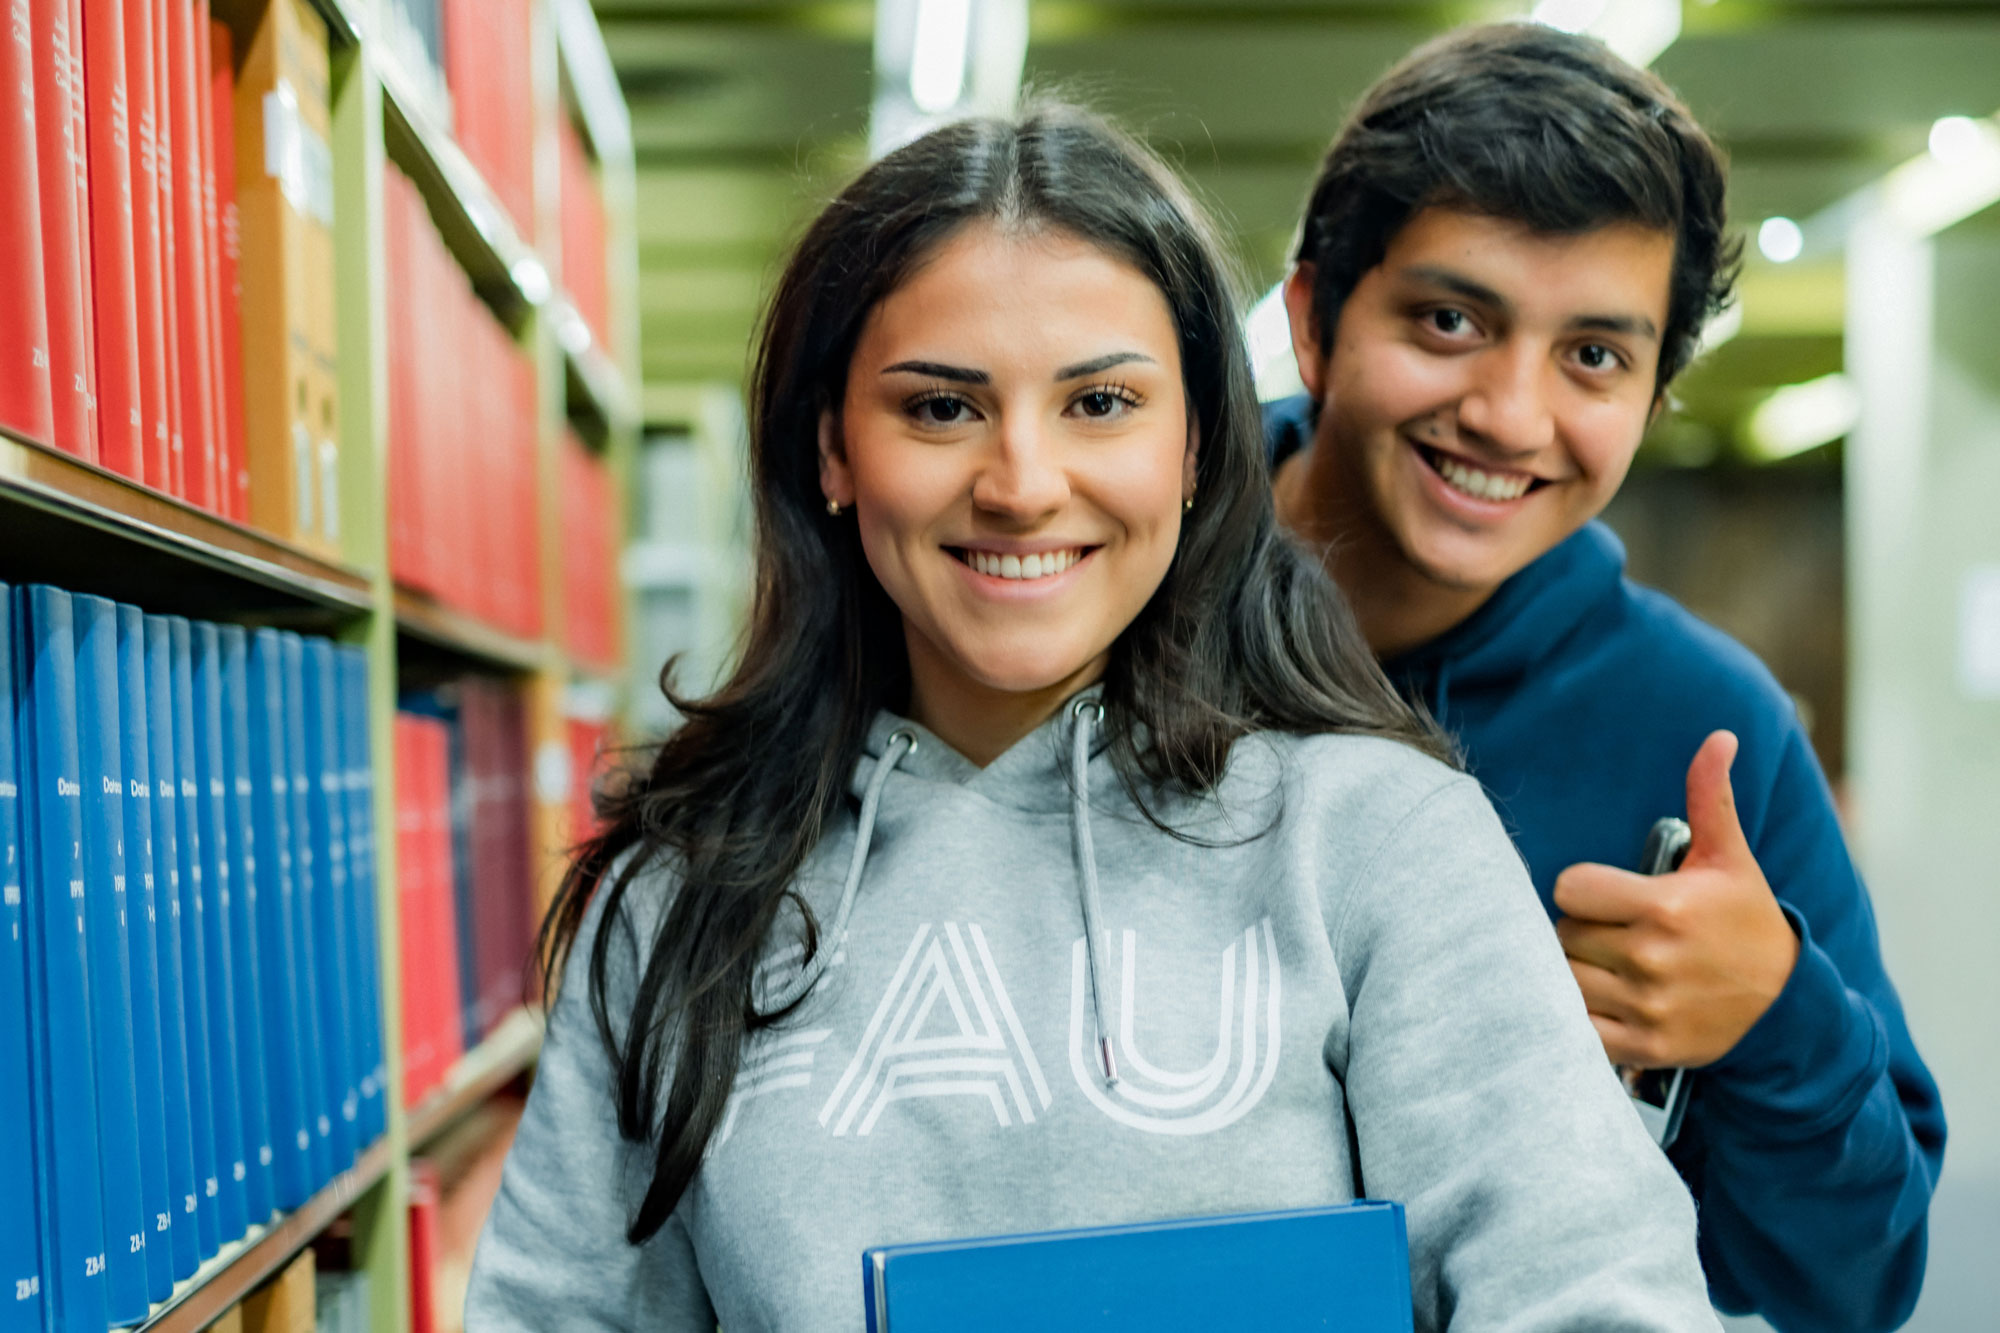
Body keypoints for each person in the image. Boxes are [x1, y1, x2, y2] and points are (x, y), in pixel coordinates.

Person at [466, 106, 1719, 1331]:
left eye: (1101, 403)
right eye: (940, 407)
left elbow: (1591, 1292)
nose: (1020, 484)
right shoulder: (676, 899)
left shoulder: (1376, 839)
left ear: (1194, 447)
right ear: (833, 449)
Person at [1264, 23, 1945, 1333]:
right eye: (1449, 320)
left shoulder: (1706, 729)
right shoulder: (1103, 617)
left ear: (1651, 396)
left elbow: (1855, 1283)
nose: (1509, 414)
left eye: (1592, 356)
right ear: (1313, 321)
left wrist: (1770, 1018)